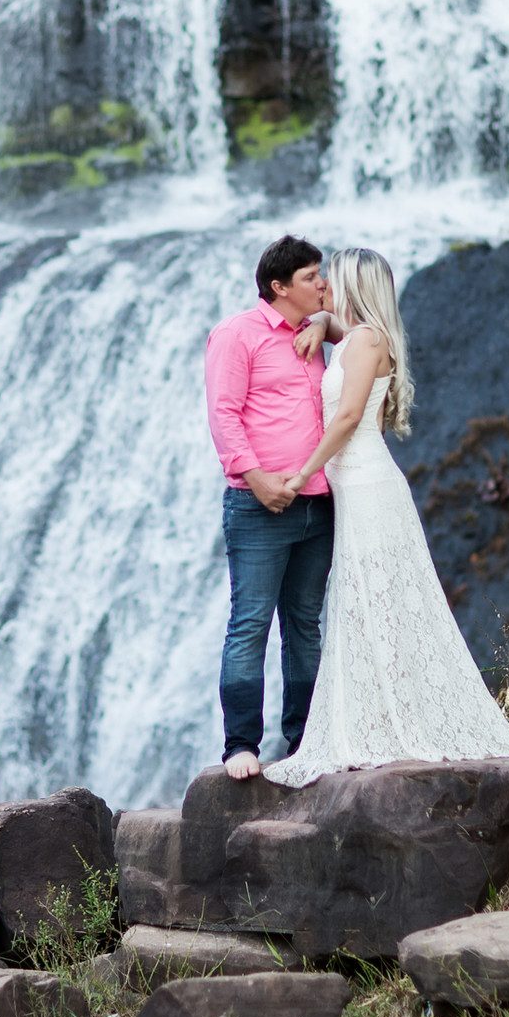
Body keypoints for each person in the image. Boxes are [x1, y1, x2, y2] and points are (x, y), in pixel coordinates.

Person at [261, 246, 509, 786]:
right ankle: (383, 717)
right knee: (367, 602)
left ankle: (394, 723)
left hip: (367, 487)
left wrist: (301, 474)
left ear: (355, 285)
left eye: (331, 281)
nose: (324, 289)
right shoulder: (358, 335)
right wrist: (317, 322)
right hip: (358, 486)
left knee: (377, 599)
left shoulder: (367, 341)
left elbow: (343, 422)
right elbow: (335, 325)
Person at [205, 235, 334, 781]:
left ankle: (304, 737)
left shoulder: (319, 330)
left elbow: (374, 338)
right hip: (260, 506)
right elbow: (223, 413)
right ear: (279, 287)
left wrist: (326, 323)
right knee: (251, 623)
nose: (323, 283)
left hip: (319, 504)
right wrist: (256, 480)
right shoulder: (237, 334)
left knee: (304, 624)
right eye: (311, 277)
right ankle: (241, 746)